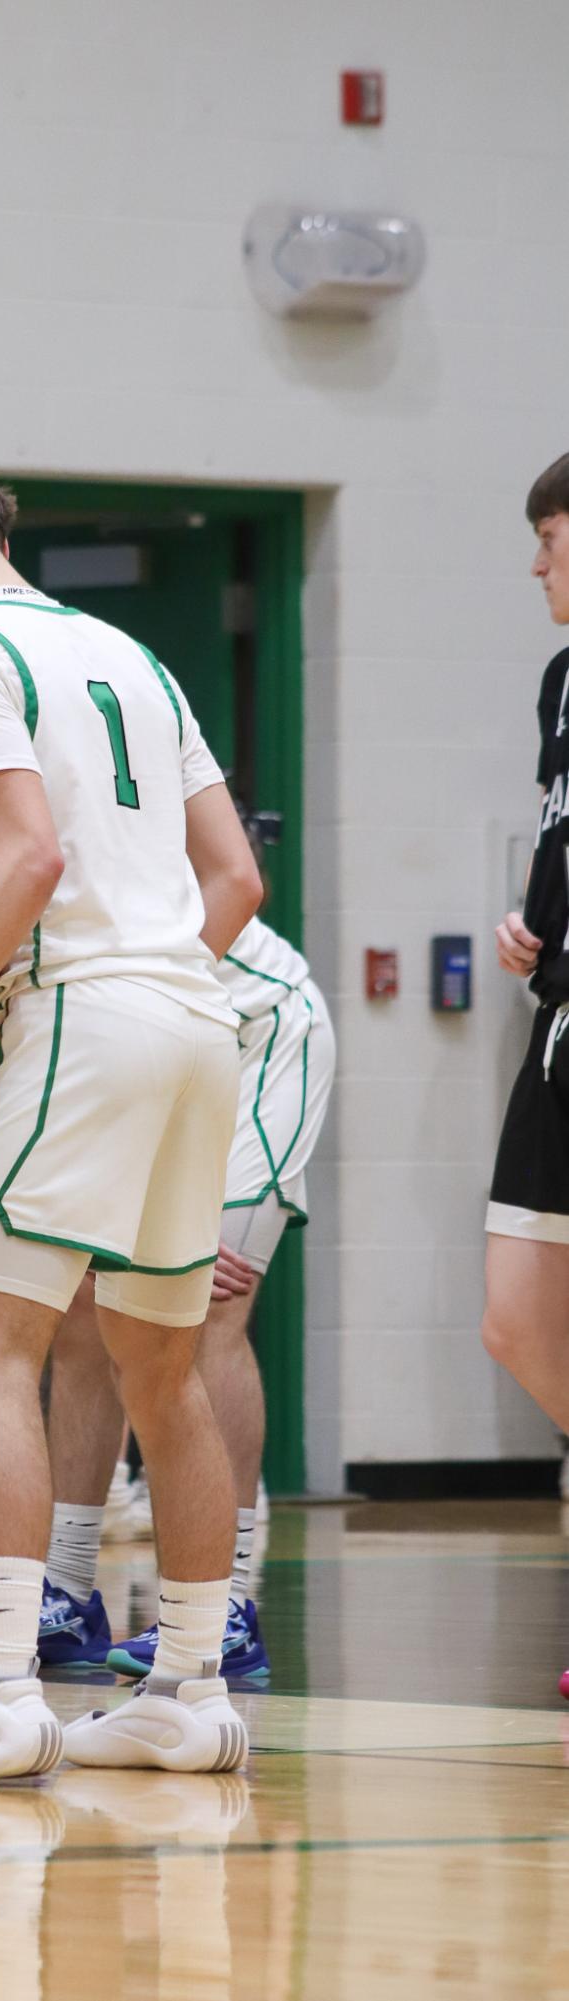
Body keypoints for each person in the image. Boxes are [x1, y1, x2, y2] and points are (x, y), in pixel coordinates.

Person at [0, 440, 262, 1782]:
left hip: (81, 1013)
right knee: (160, 1367)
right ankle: (187, 1694)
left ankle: (2, 1689)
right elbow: (236, 877)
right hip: (196, 1018)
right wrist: (150, 974)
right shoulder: (135, 658)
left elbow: (26, 852)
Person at [0, 807, 336, 1682]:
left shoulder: (14, 846)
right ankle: (67, 1592)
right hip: (150, 1042)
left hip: (259, 1039)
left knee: (204, 1319)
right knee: (78, 1310)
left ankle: (227, 1611)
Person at [480, 454, 569, 1701]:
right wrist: (528, 919)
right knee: (514, 1319)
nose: (539, 567)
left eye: (550, 542)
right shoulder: (558, 679)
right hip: (554, 1016)